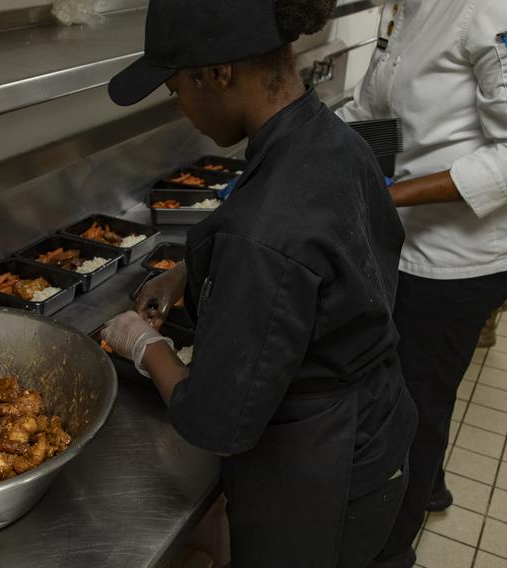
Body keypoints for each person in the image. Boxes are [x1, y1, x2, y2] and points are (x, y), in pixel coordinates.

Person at [101, 0, 418, 565]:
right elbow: (323, 263)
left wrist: (144, 346)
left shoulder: (267, 227)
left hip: (316, 469)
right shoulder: (333, 140)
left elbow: (215, 420)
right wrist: (191, 270)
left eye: (176, 91)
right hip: (376, 425)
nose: (182, 110)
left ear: (217, 73)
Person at [335, 1, 507, 565]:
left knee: (415, 403)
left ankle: (389, 553)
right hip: (416, 236)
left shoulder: (506, 6)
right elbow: (375, 104)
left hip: (467, 255)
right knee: (419, 386)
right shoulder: (415, 5)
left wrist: (390, 197)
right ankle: (429, 482)